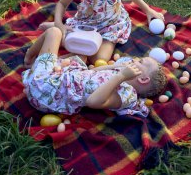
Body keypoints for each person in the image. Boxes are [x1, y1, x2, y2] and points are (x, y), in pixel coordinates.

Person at [22, 27, 167, 117]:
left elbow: (93, 101)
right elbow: (94, 71)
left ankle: (29, 59)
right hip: (59, 82)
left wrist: (121, 76)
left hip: (45, 89)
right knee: (81, 57)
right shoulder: (120, 75)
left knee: (54, 32)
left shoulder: (128, 95)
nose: (135, 60)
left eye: (140, 62)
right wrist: (116, 69)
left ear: (143, 79)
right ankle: (42, 64)